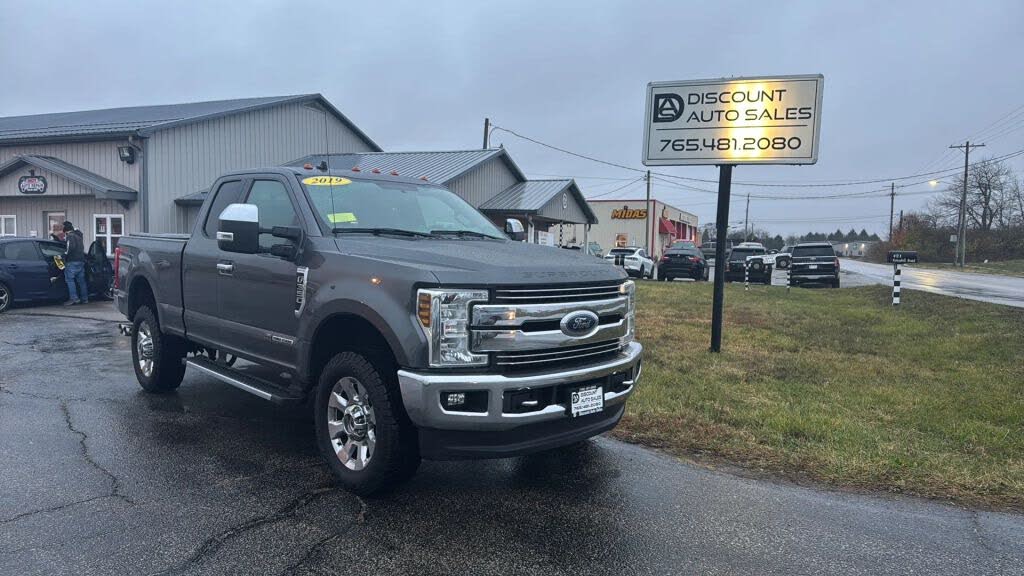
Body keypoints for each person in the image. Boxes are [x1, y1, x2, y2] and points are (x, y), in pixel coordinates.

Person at [62, 221, 89, 305]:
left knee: (70, 280)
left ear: (66, 231)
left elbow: (70, 248)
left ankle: (74, 299)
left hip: (72, 261)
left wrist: (64, 255)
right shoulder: (79, 236)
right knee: (81, 281)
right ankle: (85, 299)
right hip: (81, 261)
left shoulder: (70, 236)